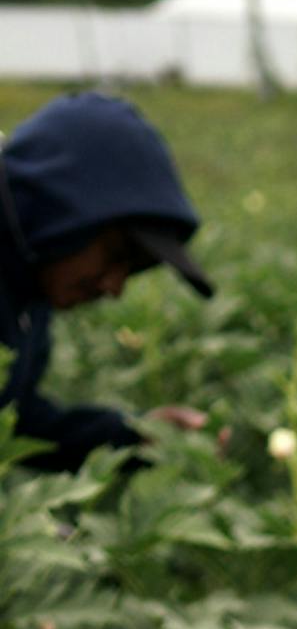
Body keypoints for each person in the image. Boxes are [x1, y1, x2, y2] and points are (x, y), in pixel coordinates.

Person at [0, 89, 213, 474]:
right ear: (57, 212)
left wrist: (132, 435)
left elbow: (14, 423)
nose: (114, 287)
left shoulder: (27, 290)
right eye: (115, 255)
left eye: (132, 269)